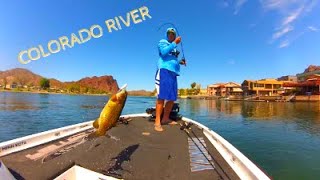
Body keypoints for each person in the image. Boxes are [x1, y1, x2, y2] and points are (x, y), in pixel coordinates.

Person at [154, 28, 186, 132]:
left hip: (174, 73)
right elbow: (163, 53)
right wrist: (175, 43)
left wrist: (181, 62)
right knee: (162, 96)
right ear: (167, 35)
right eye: (170, 34)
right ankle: (157, 122)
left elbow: (173, 59)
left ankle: (165, 119)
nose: (171, 35)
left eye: (173, 34)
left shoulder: (174, 48)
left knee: (172, 98)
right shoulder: (163, 42)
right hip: (164, 70)